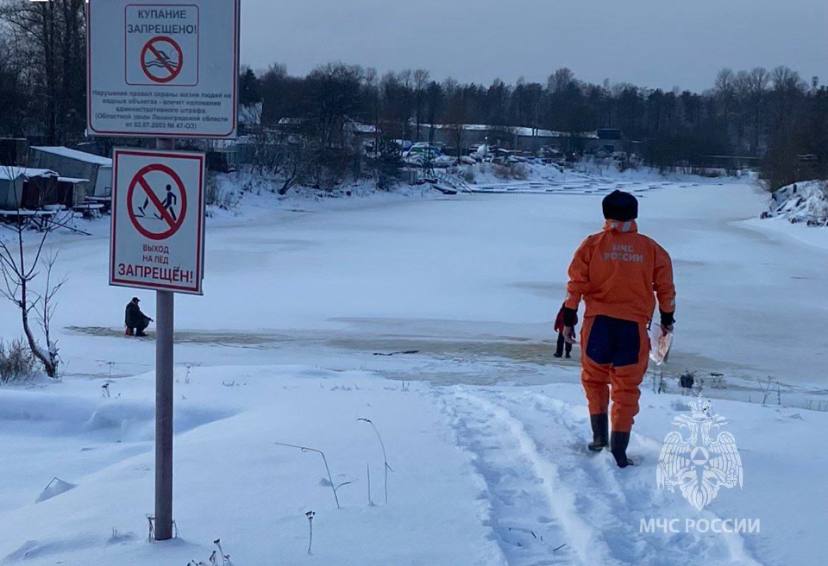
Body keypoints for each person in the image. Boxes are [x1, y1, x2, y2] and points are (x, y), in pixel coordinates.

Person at [561, 190, 675, 468]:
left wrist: (569, 314)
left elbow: (576, 282)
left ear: (605, 214)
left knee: (594, 380)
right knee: (626, 389)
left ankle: (599, 438)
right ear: (635, 215)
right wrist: (667, 319)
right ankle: (619, 451)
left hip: (598, 324)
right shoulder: (652, 250)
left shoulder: (591, 245)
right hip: (632, 329)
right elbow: (666, 289)